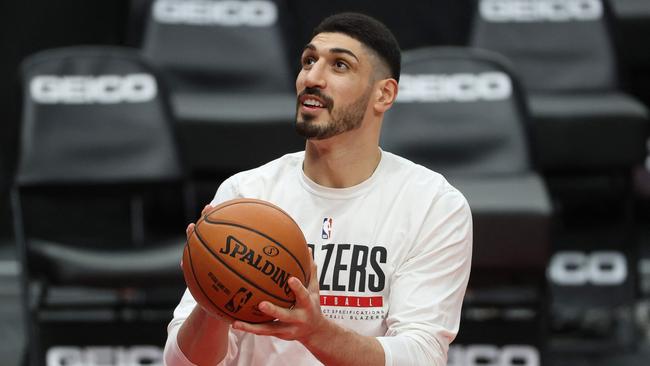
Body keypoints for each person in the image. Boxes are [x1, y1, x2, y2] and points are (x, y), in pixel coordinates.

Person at [164, 12, 472, 366]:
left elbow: (422, 355)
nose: (312, 77)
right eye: (308, 61)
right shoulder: (245, 195)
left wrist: (315, 331)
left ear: (383, 94)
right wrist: (213, 300)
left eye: (339, 65)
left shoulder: (432, 203)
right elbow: (180, 363)